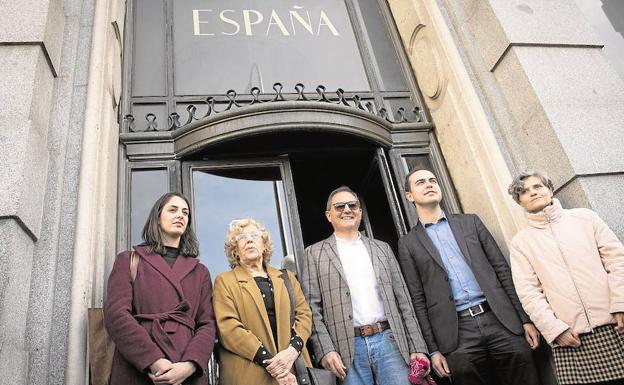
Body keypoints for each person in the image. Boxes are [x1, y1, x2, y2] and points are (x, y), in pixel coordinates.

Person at [396, 168, 540, 385]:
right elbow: (417, 299)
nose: (429, 184)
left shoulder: (471, 222)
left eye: (433, 180)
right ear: (409, 196)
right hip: (456, 335)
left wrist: (525, 319)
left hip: (500, 320)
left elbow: (501, 270)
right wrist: (433, 350)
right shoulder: (408, 244)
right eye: (420, 182)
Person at [300, 186, 429, 385]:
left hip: (390, 342)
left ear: (360, 212)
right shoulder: (314, 254)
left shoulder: (382, 248)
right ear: (329, 215)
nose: (347, 210)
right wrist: (325, 349)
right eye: (339, 206)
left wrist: (417, 347)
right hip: (345, 349)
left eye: (352, 205)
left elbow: (403, 301)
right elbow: (312, 309)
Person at [508, 171, 624, 385]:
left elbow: (617, 261)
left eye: (538, 186)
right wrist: (555, 330)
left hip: (615, 322)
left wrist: (621, 303)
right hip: (572, 337)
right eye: (524, 191)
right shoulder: (521, 243)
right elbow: (529, 293)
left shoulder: (585, 218)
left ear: (550, 190)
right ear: (520, 201)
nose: (533, 193)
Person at [104, 192, 216, 385]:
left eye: (185, 212)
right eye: (172, 210)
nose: (180, 215)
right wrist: (153, 361)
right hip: (138, 366)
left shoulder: (200, 271)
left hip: (186, 368)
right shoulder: (128, 260)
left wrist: (190, 365)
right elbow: (116, 314)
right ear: (157, 218)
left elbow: (207, 323)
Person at [213, 218, 313, 385]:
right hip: (250, 374)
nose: (249, 239)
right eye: (242, 238)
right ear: (235, 250)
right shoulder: (225, 281)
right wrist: (273, 365)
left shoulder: (287, 278)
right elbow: (228, 328)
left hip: (293, 369)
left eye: (254, 235)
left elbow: (304, 315)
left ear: (264, 244)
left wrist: (291, 351)